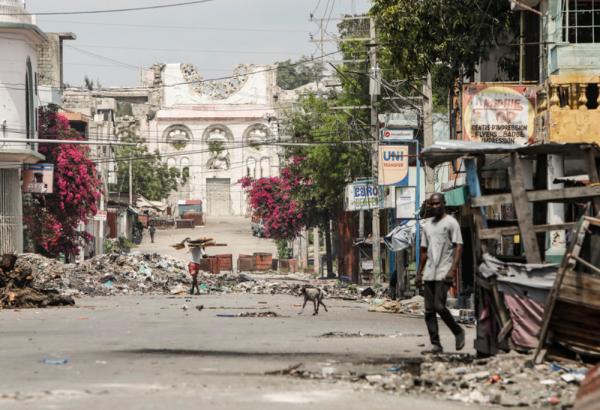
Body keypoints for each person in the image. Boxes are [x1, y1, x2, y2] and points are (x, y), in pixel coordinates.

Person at [415, 193, 465, 354]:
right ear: (429, 205)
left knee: (439, 306)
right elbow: (423, 251)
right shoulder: (428, 226)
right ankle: (435, 344)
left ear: (443, 203)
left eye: (438, 203)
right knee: (429, 310)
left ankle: (458, 331)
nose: (435, 206)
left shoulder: (451, 223)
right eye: (432, 204)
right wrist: (419, 273)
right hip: (430, 272)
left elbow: (459, 247)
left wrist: (452, 270)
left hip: (444, 272)